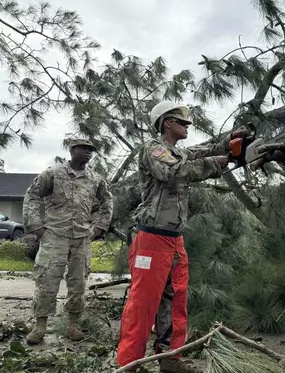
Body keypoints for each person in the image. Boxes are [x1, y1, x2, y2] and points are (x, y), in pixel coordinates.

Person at [115, 101, 249, 373]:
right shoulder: (154, 149)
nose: (188, 126)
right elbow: (174, 171)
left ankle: (169, 358)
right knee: (143, 304)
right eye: (182, 122)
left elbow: (200, 150)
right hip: (151, 239)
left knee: (174, 300)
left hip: (174, 239)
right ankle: (129, 363)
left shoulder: (176, 151)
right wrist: (218, 163)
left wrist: (230, 142)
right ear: (167, 122)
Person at [22, 138, 114, 345]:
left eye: (91, 150)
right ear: (72, 150)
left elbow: (107, 201)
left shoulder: (95, 178)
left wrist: (99, 227)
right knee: (46, 281)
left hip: (82, 238)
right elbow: (32, 196)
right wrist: (36, 227)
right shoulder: (53, 173)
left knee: (79, 282)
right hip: (54, 236)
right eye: (83, 149)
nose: (88, 153)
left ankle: (73, 324)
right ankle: (40, 326)